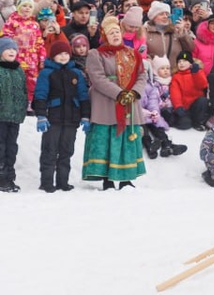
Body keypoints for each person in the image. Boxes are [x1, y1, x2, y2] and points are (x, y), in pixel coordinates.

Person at [83, 16, 147, 190]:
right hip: (106, 102)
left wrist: (134, 92)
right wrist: (119, 93)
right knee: (106, 139)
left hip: (129, 101)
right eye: (111, 33)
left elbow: (141, 75)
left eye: (117, 31)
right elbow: (97, 78)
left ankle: (126, 178)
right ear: (105, 35)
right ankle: (107, 179)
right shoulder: (96, 54)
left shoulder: (132, 53)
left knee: (127, 140)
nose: (115, 35)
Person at [32, 40, 90, 193]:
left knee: (66, 150)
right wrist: (41, 116)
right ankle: (46, 182)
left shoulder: (76, 73)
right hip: (53, 118)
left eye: (66, 53)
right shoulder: (47, 73)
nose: (63, 56)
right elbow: (40, 95)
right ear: (53, 56)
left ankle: (62, 182)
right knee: (50, 150)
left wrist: (85, 116)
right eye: (59, 54)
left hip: (72, 119)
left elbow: (83, 96)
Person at [2, 0, 45, 104]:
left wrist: (41, 58)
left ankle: (29, 102)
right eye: (24, 6)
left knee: (31, 81)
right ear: (19, 7)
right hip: (17, 57)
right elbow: (6, 38)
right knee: (16, 79)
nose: (27, 8)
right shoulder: (12, 22)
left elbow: (39, 43)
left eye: (30, 6)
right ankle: (14, 101)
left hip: (32, 60)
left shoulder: (35, 24)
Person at [142, 56, 187, 158]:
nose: (143, 73)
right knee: (143, 129)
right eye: (141, 71)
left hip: (149, 113)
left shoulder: (150, 86)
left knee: (157, 124)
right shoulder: (132, 86)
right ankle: (149, 146)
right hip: (137, 115)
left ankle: (166, 144)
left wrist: (155, 111)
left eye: (145, 71)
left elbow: (153, 101)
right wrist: (143, 112)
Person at [0, 37, 27, 192]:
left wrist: (22, 108)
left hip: (15, 116)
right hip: (1, 116)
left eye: (13, 49)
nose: (11, 51)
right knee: (1, 146)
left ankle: (9, 176)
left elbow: (23, 91)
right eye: (7, 49)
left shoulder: (18, 70)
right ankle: (2, 178)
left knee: (11, 147)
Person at [168, 50, 210, 130]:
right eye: (179, 61)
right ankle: (175, 119)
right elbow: (175, 93)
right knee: (184, 124)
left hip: (196, 106)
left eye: (184, 61)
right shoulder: (176, 77)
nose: (181, 63)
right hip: (184, 108)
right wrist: (178, 106)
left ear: (191, 63)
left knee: (203, 100)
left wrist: (196, 74)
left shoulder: (198, 72)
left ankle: (197, 122)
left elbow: (203, 85)